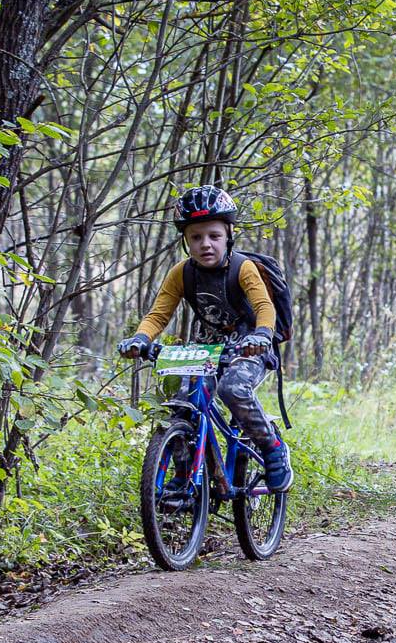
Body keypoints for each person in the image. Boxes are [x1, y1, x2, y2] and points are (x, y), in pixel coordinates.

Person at [117, 186, 292, 492]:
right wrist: (140, 339)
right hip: (206, 346)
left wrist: (263, 334)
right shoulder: (181, 273)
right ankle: (184, 473)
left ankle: (272, 447)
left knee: (233, 389)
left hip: (249, 345)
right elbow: (158, 315)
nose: (205, 244)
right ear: (186, 241)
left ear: (229, 235)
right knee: (182, 403)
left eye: (214, 236)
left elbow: (264, 307)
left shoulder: (243, 268)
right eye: (196, 237)